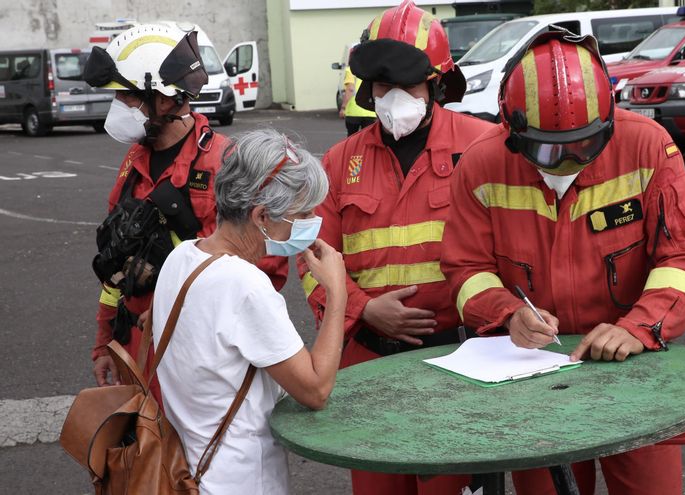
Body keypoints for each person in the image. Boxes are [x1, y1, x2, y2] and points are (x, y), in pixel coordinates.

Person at [440, 30, 685, 495]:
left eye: (586, 146)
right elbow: (466, 269)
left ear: (607, 120)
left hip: (633, 368)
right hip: (535, 374)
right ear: (512, 131)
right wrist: (509, 314)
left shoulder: (647, 146)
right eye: (548, 150)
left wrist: (638, 328)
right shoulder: (481, 164)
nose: (568, 162)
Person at [296, 1, 494, 493]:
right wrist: (364, 309)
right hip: (369, 372)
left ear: (437, 84)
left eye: (407, 85)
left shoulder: (484, 147)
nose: (393, 97)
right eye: (383, 86)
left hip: (459, 369)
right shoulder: (339, 161)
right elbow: (311, 260)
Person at [83, 24, 288, 390]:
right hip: (136, 354)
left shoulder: (226, 164)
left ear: (164, 100)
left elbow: (265, 269)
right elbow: (115, 265)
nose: (117, 106)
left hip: (203, 364)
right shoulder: (133, 163)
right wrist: (104, 343)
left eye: (125, 96)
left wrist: (175, 312)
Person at [152, 129, 347, 495]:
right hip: (239, 479)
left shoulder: (182, 256)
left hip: (185, 466)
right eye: (303, 213)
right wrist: (337, 293)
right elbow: (316, 389)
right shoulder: (244, 286)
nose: (312, 221)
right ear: (261, 216)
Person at [340, 63, 376, 135]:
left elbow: (350, 89)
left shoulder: (351, 70)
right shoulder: (373, 69)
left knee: (352, 137)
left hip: (353, 112)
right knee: (368, 138)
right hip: (370, 111)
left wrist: (343, 107)